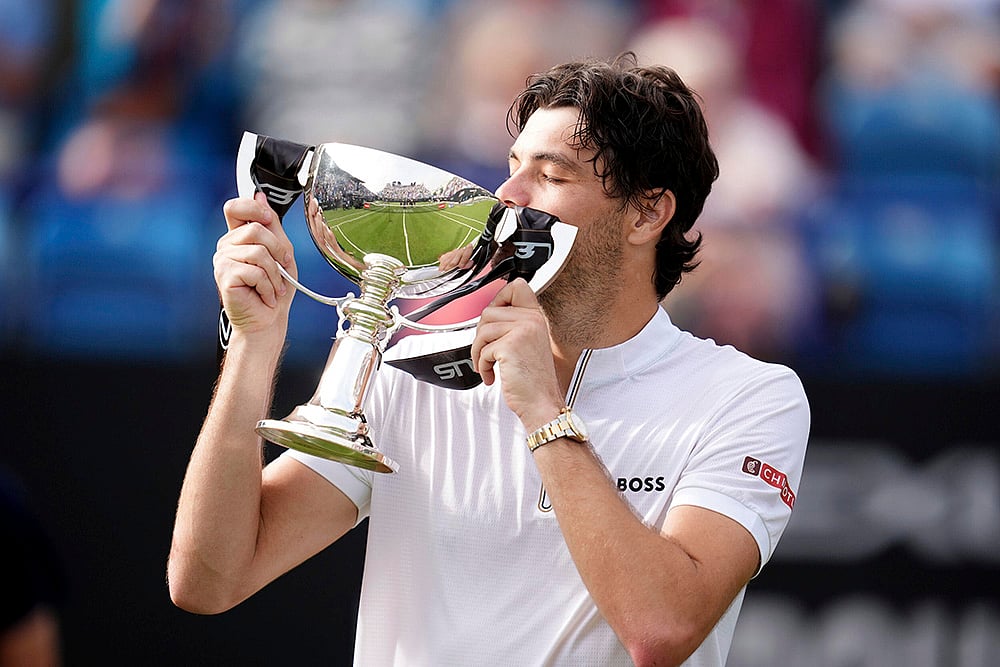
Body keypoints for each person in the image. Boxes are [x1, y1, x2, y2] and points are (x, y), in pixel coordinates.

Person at [168, 54, 810, 666]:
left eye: (552, 176)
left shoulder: (748, 395)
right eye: (512, 164)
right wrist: (254, 347)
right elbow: (209, 579)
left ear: (648, 213)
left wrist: (541, 411)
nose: (507, 193)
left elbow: (661, 629)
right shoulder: (408, 355)